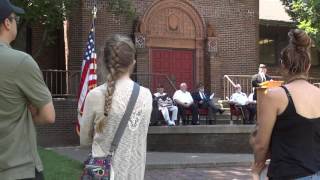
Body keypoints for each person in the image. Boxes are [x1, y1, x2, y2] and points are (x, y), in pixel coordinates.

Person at [80, 34, 152, 180]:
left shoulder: (95, 95)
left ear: (105, 62)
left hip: (102, 173)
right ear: (133, 62)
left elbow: (84, 140)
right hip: (135, 173)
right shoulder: (146, 95)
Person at [250, 29, 320, 180]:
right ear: (308, 66)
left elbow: (260, 144)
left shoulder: (274, 95)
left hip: (286, 174)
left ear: (283, 65)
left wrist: (256, 170)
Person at [0, 0, 56, 179]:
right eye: (15, 19)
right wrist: (32, 114)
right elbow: (48, 116)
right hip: (17, 168)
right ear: (7, 23)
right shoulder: (20, 62)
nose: (16, 22)